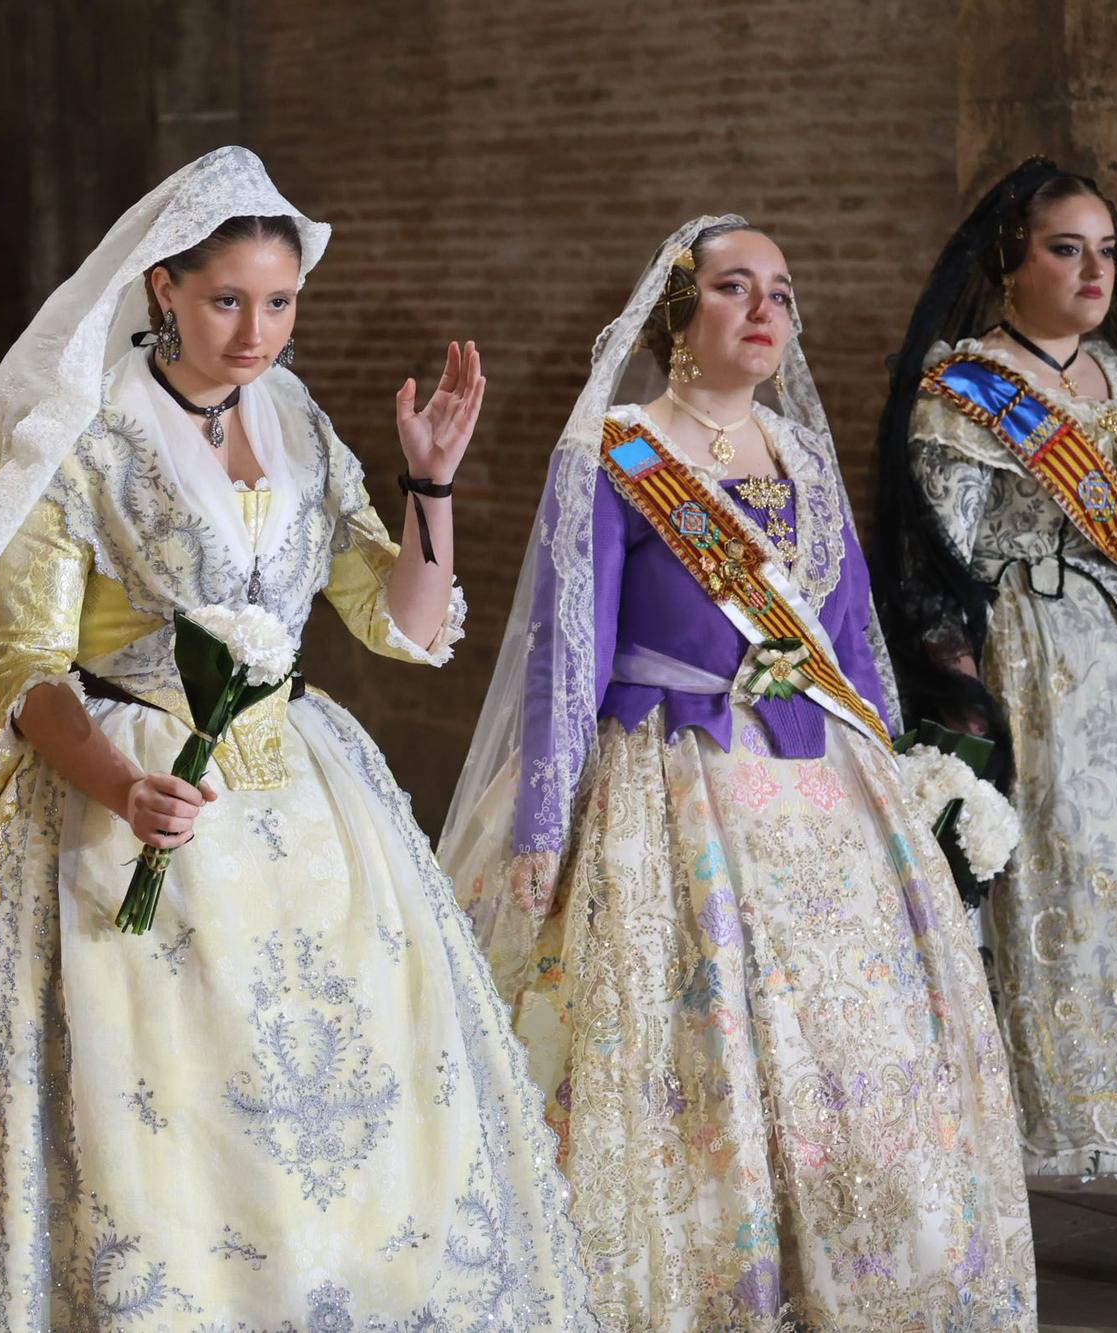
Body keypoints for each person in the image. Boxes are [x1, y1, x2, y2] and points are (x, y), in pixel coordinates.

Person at [0, 147, 589, 1329]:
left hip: (301, 797)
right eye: (226, 300)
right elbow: (26, 671)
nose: (255, 332)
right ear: (162, 292)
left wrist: (428, 485)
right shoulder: (82, 435)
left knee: (340, 1087)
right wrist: (119, 782)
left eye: (279, 302)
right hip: (121, 790)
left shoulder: (294, 415)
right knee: (167, 1104)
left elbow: (396, 625)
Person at [441, 215, 1035, 1330]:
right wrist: (538, 821)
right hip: (665, 783)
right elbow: (569, 651)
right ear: (679, 313)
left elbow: (849, 638)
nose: (765, 311)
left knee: (850, 1052)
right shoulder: (617, 452)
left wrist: (906, 779)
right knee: (686, 1051)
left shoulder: (800, 454)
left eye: (780, 291)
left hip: (819, 789)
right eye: (733, 288)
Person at [869, 158, 1117, 1280]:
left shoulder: (1113, 374)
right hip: (1042, 678)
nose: (1091, 270)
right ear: (1008, 262)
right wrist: (963, 720)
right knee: (1057, 902)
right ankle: (1001, 1196)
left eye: (1104, 250)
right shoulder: (962, 387)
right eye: (1065, 248)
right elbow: (934, 569)